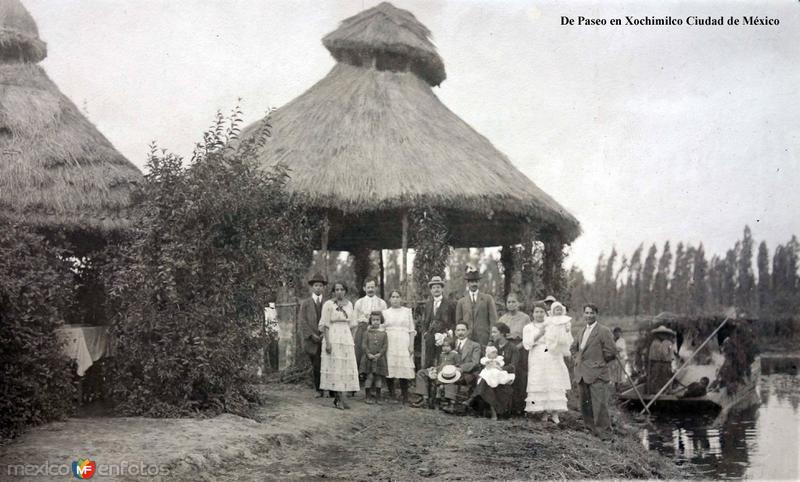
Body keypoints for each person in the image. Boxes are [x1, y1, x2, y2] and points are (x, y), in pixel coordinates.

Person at [571, 303, 617, 438]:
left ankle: (605, 435)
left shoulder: (603, 331)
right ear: (583, 314)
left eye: (592, 313)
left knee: (600, 405)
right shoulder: (581, 331)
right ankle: (591, 430)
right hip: (582, 373)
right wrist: (577, 358)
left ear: (597, 314)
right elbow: (574, 347)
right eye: (586, 313)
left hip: (597, 373)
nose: (589, 315)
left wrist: (599, 363)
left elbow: (612, 352)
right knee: (585, 404)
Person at [524, 303, 572, 424]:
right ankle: (544, 412)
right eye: (536, 312)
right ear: (532, 313)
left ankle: (555, 413)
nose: (539, 314)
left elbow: (563, 338)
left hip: (552, 354)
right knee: (541, 381)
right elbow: (527, 344)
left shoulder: (552, 323)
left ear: (546, 313)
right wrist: (540, 333)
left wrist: (565, 330)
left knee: (553, 381)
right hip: (537, 355)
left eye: (541, 312)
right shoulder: (528, 327)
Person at [319, 281, 360, 409]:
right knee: (335, 367)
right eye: (336, 289)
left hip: (346, 337)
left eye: (342, 289)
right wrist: (328, 342)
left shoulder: (350, 305)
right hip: (333, 335)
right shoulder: (328, 304)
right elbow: (325, 325)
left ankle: (342, 397)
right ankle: (338, 398)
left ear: (345, 291)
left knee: (345, 367)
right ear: (333, 291)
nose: (339, 292)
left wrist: (351, 340)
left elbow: (353, 324)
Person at [470, 323, 519, 420]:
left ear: (503, 333)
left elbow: (513, 366)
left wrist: (500, 368)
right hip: (492, 373)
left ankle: (473, 400)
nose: (492, 334)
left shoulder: (513, 348)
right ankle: (492, 412)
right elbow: (485, 359)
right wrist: (488, 365)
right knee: (486, 378)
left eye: (495, 332)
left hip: (506, 374)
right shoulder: (492, 346)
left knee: (486, 380)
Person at [382, 290, 416, 404]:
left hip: (403, 341)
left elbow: (411, 330)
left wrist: (411, 345)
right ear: (390, 299)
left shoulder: (407, 311)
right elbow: (382, 329)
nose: (395, 299)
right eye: (393, 297)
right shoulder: (385, 312)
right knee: (390, 366)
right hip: (390, 341)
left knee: (403, 367)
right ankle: (392, 394)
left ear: (401, 298)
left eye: (397, 297)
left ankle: (405, 395)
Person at [298, 272, 328, 396]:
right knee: (316, 365)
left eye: (320, 285)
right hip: (312, 340)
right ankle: (318, 389)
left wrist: (324, 334)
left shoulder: (327, 302)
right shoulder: (306, 303)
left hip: (325, 337)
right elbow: (302, 320)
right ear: (312, 287)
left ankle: (329, 388)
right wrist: (311, 335)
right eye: (316, 285)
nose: (318, 288)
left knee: (326, 363)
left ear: (323, 287)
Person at [441, 322, 482, 413]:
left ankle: (452, 405)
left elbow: (475, 363)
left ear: (468, 331)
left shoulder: (475, 345)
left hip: (468, 373)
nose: (461, 332)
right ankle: (428, 400)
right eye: (458, 330)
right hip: (450, 370)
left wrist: (461, 368)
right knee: (423, 373)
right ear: (455, 332)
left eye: (463, 330)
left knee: (451, 378)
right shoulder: (450, 343)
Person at [410, 337, 460, 408]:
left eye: (447, 346)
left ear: (452, 347)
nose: (445, 348)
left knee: (443, 382)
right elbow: (440, 365)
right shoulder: (442, 355)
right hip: (438, 372)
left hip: (447, 374)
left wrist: (452, 369)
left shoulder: (454, 355)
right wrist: (434, 368)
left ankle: (444, 402)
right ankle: (425, 398)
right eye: (443, 346)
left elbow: (458, 365)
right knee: (421, 372)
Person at [455, 267, 498, 347]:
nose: (474, 284)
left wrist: (491, 339)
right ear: (467, 284)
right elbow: (459, 322)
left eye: (476, 281)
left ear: (479, 283)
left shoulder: (487, 299)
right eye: (471, 282)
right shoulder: (461, 301)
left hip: (484, 339)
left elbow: (493, 320)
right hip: (467, 339)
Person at [420, 276, 456, 369]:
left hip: (445, 338)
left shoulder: (450, 303)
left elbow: (454, 321)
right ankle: (429, 381)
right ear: (431, 290)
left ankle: (442, 381)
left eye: (438, 287)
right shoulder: (428, 304)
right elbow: (424, 322)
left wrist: (447, 334)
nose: (436, 289)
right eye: (434, 287)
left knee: (443, 361)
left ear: (442, 289)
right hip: (430, 339)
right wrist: (426, 333)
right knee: (429, 362)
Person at [353, 278, 387, 374]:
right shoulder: (359, 302)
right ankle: (360, 375)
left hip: (376, 330)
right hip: (362, 329)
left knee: (374, 352)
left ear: (376, 288)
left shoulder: (382, 303)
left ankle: (375, 376)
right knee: (360, 352)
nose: (370, 289)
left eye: (372, 287)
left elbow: (384, 320)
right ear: (364, 288)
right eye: (368, 287)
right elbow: (355, 320)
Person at [360, 311, 388, 404]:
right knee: (370, 377)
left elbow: (385, 346)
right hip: (369, 358)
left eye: (378, 320)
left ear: (381, 321)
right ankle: (367, 396)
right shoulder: (367, 333)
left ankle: (378, 396)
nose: (376, 322)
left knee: (378, 378)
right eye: (374, 320)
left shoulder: (384, 333)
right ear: (370, 321)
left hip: (379, 358)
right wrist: (368, 354)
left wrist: (379, 354)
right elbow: (364, 345)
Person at [647, 326, 676, 394]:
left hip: (666, 362)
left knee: (666, 376)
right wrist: (651, 363)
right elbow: (651, 355)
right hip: (656, 362)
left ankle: (667, 390)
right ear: (658, 334)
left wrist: (672, 362)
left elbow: (671, 353)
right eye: (661, 334)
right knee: (655, 376)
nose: (663, 335)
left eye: (664, 334)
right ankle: (654, 391)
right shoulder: (654, 343)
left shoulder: (669, 343)